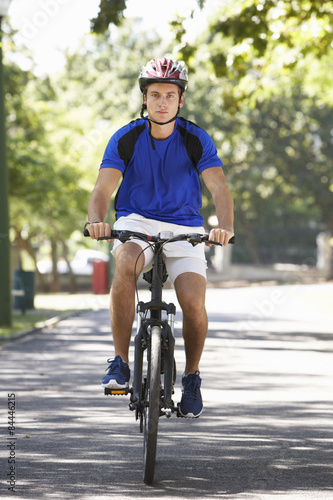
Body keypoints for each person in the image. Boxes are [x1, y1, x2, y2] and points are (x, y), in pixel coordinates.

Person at [86, 57, 234, 418]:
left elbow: (219, 188)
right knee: (124, 264)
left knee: (193, 301)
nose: (162, 102)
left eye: (170, 95)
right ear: (145, 98)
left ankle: (193, 376)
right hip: (136, 220)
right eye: (155, 95)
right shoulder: (126, 137)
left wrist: (225, 227)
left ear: (180, 100)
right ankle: (120, 361)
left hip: (185, 224)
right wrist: (96, 221)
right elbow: (103, 189)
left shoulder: (196, 137)